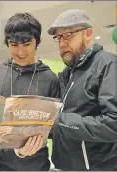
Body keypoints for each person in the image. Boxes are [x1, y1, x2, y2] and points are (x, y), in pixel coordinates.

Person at [0, 12, 61, 171]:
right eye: (14, 44)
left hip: (35, 165)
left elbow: (55, 128)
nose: (20, 52)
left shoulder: (50, 79)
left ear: (37, 42)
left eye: (26, 44)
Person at [48, 9, 117, 171]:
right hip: (65, 166)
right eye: (58, 37)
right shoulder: (68, 73)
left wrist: (59, 122)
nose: (62, 43)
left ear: (88, 34)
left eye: (68, 35)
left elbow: (113, 123)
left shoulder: (108, 64)